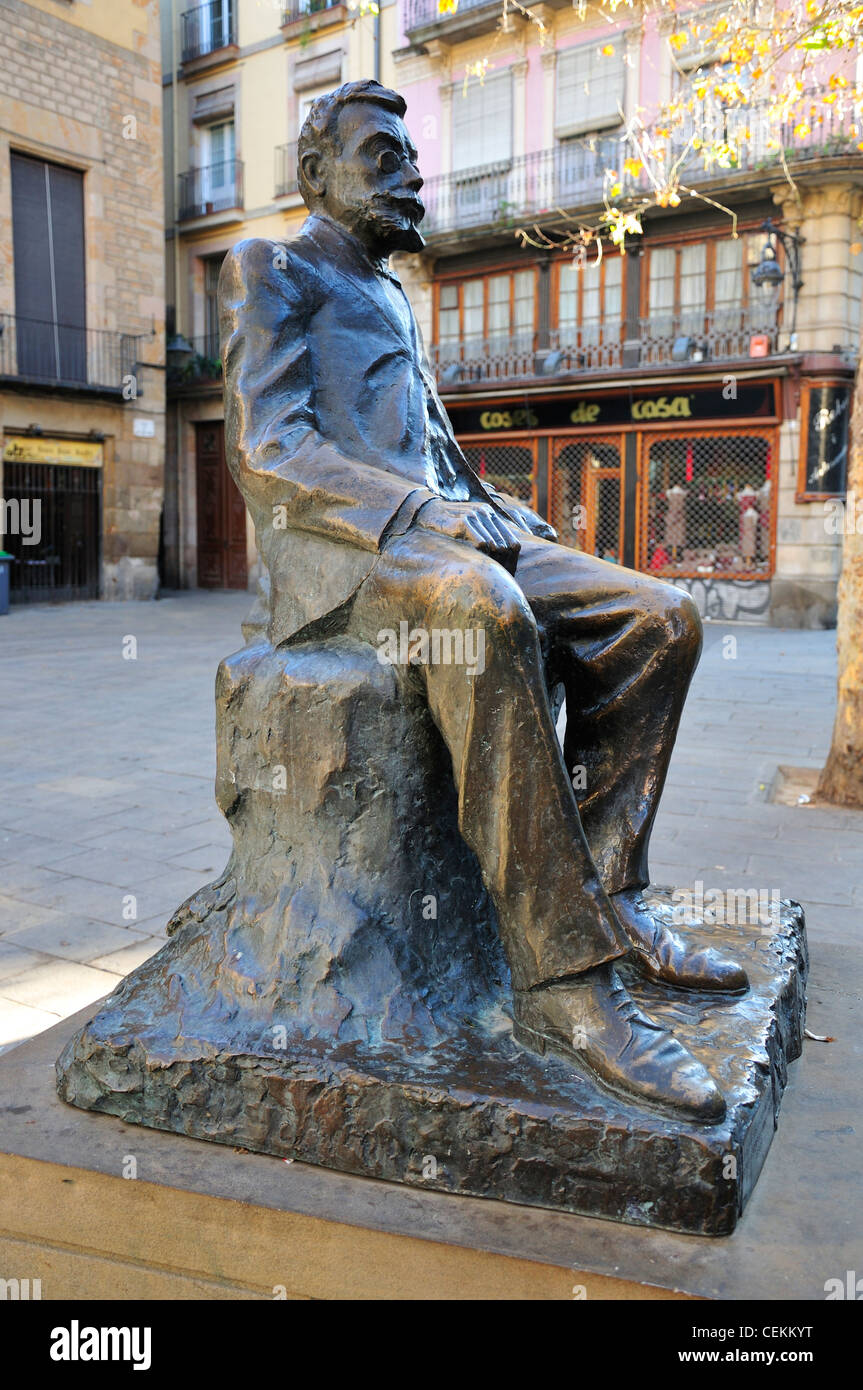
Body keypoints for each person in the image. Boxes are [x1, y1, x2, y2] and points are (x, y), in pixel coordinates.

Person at [219, 80, 747, 1125]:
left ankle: (611, 894)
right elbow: (268, 447)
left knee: (660, 618)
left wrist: (496, 509)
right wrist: (424, 513)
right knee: (483, 608)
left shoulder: (393, 294)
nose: (409, 171)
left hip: (441, 524)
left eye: (411, 156)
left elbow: (432, 444)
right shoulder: (269, 265)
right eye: (382, 154)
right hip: (346, 554)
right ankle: (562, 981)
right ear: (313, 175)